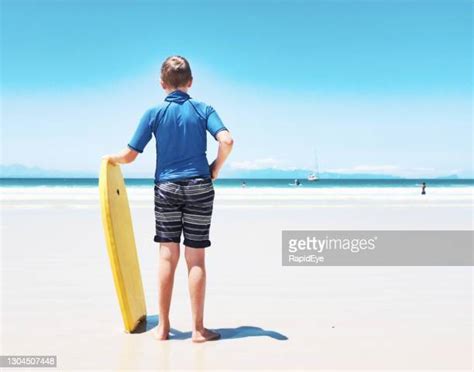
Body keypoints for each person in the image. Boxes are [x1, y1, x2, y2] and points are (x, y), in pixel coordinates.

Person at [102, 56, 234, 342]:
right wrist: (214, 169)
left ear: (162, 84)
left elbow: (129, 155)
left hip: (166, 188)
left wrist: (109, 160)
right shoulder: (204, 109)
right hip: (200, 185)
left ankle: (163, 328)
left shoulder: (153, 112)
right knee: (195, 257)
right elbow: (227, 140)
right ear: (191, 81)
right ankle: (198, 330)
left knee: (167, 255)